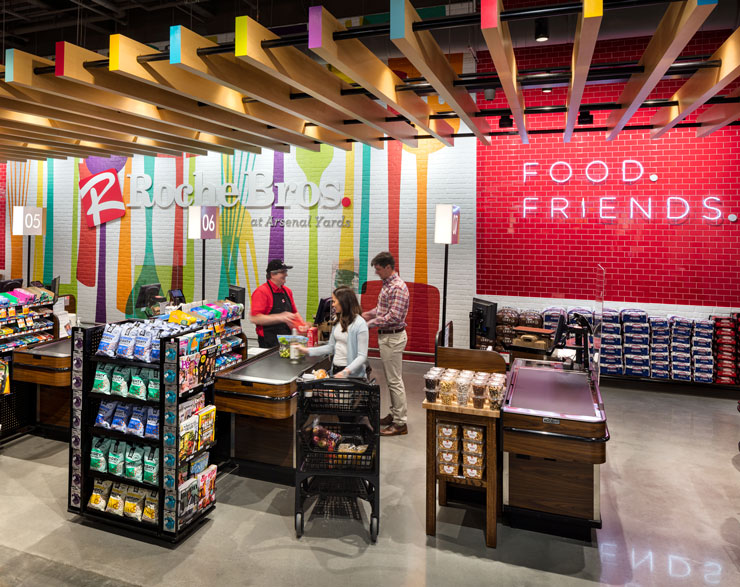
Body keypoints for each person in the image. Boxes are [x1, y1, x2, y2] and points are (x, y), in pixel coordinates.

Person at [362, 252, 410, 437]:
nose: (377, 273)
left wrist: (370, 324)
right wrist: (369, 314)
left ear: (388, 267)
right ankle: (395, 413)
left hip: (392, 338)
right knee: (392, 380)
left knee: (394, 381)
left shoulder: (397, 287)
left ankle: (400, 423)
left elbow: (394, 316)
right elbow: (384, 310)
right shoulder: (388, 285)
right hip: (388, 337)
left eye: (379, 269)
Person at [297, 287, 368, 378]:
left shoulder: (360, 324)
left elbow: (362, 356)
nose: (333, 305)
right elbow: (330, 347)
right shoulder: (337, 320)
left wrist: (346, 372)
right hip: (335, 369)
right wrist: (307, 350)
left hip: (351, 375)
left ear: (343, 302)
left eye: (334, 301)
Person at [250, 259, 299, 348]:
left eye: (286, 271)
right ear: (273, 274)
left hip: (287, 340)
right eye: (283, 272)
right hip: (269, 342)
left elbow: (295, 313)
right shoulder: (261, 292)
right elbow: (255, 318)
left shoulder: (287, 291)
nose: (286, 274)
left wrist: (303, 326)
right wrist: (280, 317)